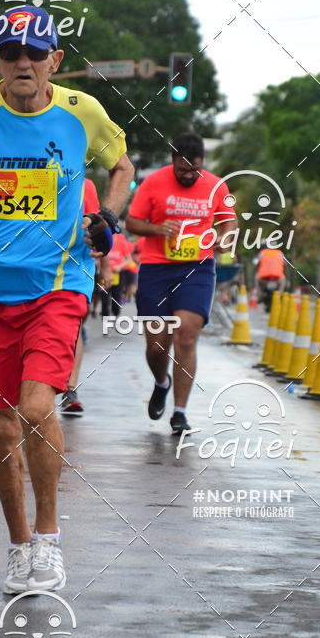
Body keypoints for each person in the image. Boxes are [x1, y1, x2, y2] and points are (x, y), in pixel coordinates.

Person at [0, 5, 133, 593]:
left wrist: (107, 219)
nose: (23, 63)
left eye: (36, 53)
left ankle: (50, 538)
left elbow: (123, 167)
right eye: (11, 52)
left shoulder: (81, 112)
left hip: (58, 283)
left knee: (38, 410)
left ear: (54, 61)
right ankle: (18, 546)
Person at [125, 133, 237, 435]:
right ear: (172, 161)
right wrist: (158, 229)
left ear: (203, 164)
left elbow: (229, 220)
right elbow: (132, 223)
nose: (188, 175)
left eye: (194, 170)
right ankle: (162, 382)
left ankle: (180, 412)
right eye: (182, 170)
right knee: (157, 346)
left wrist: (225, 238)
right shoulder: (154, 182)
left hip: (196, 269)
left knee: (186, 336)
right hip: (156, 269)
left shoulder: (216, 185)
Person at [59, 177, 99, 416]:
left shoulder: (86, 185)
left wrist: (102, 262)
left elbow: (95, 225)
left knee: (75, 327)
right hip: (30, 267)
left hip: (74, 268)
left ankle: (70, 389)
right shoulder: (27, 172)